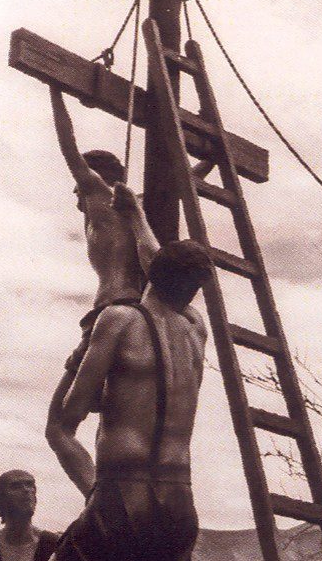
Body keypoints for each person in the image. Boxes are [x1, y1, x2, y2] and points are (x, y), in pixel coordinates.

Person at [7, 239, 214, 561]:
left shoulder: (119, 319)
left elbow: (66, 421)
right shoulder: (196, 330)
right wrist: (136, 216)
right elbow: (161, 263)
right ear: (193, 288)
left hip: (121, 495)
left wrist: (77, 359)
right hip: (179, 505)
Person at [45, 85, 213, 490]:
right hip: (148, 323)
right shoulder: (141, 206)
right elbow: (192, 177)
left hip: (112, 314)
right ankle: (124, 490)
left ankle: (97, 496)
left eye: (78, 188)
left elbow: (68, 149)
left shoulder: (101, 198)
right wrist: (209, 145)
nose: (76, 198)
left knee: (59, 426)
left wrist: (56, 91)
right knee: (127, 414)